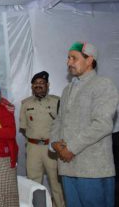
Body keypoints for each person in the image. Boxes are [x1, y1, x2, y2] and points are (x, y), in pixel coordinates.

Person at [50, 42, 119, 207]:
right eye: (68, 58)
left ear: (90, 60)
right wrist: (55, 143)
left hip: (93, 170)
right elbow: (59, 120)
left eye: (74, 58)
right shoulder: (67, 89)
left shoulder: (103, 84)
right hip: (67, 168)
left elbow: (102, 124)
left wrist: (71, 148)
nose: (68, 62)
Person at [19, 71, 65, 207]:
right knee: (33, 182)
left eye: (42, 83)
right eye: (36, 83)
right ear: (32, 86)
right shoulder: (26, 104)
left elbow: (63, 124)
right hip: (33, 148)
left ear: (48, 85)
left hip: (52, 148)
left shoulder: (57, 101)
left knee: (56, 183)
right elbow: (24, 127)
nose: (39, 86)